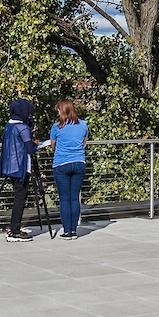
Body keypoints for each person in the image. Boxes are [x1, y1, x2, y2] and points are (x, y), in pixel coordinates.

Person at [41, 99, 89, 239]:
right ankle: (74, 230)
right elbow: (84, 142)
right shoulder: (83, 124)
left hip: (61, 164)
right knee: (75, 198)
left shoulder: (57, 126)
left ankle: (67, 231)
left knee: (64, 199)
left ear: (62, 111)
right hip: (79, 162)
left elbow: (53, 145)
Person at [0, 98, 34, 242]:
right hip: (20, 167)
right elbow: (30, 149)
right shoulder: (22, 127)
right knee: (20, 197)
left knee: (17, 195)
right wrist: (36, 142)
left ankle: (15, 226)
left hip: (9, 166)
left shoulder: (9, 125)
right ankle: (15, 230)